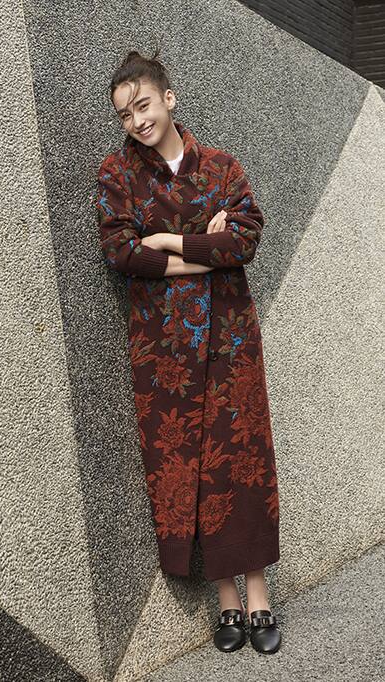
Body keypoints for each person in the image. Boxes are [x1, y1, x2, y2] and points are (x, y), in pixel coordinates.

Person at [96, 46, 282, 655]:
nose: (137, 121)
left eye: (143, 105)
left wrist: (168, 240)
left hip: (230, 338)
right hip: (165, 352)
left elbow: (245, 241)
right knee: (191, 468)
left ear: (169, 99)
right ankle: (225, 601)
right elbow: (122, 254)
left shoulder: (223, 167)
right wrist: (204, 250)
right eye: (125, 114)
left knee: (243, 460)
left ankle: (258, 595)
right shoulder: (117, 176)